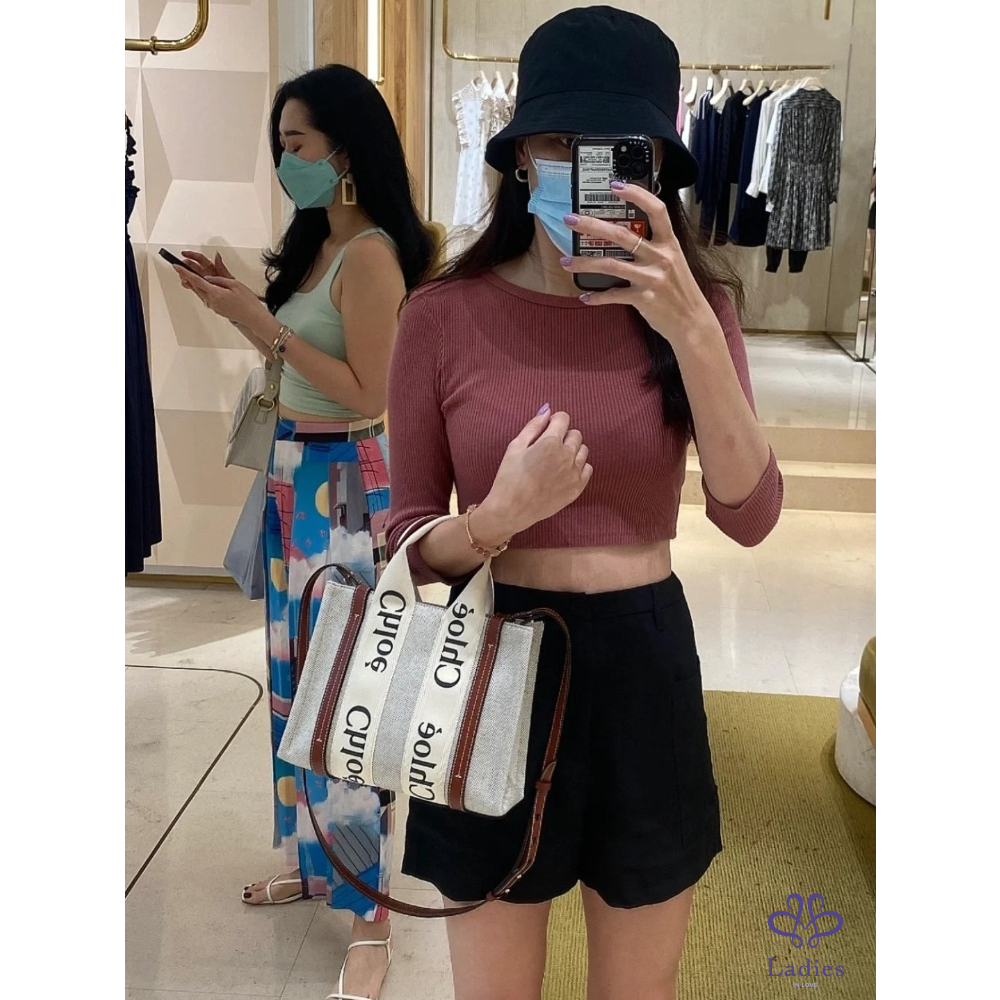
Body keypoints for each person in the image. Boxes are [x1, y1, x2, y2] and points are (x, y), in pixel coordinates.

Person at [384, 8, 783, 1000]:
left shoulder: (697, 313)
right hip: (490, 654)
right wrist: (494, 519)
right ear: (522, 156)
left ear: (654, 166)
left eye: (618, 147)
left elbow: (750, 513)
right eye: (562, 141)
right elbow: (406, 541)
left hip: (644, 661)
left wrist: (691, 328)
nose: (585, 168)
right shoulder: (440, 315)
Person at [173, 63, 433, 1000]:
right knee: (292, 688)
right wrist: (238, 305)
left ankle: (369, 914)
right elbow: (299, 363)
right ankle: (311, 860)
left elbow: (369, 392)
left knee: (347, 697)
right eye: (280, 145)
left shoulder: (371, 256)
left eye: (298, 144)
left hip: (346, 485)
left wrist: (258, 319)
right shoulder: (319, 243)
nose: (285, 161)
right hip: (293, 474)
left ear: (346, 151)